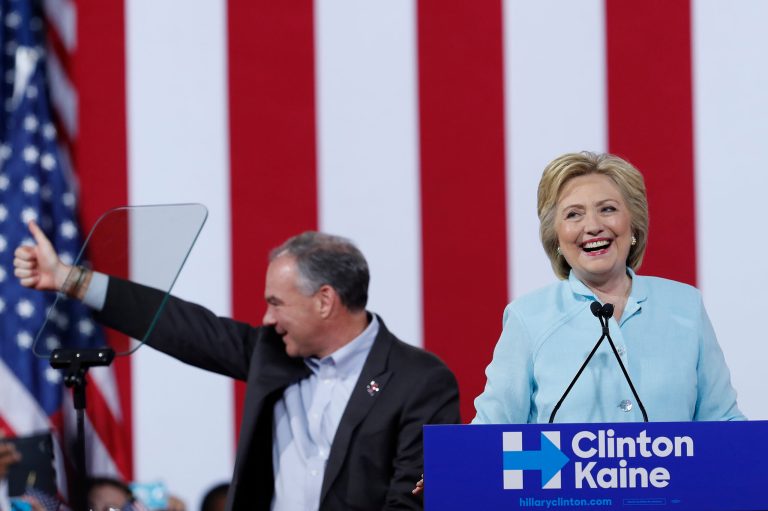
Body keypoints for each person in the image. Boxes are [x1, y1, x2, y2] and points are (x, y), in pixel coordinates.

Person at [14, 229, 460, 510]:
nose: (267, 318)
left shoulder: (421, 381)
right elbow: (181, 326)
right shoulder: (272, 354)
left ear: (325, 300)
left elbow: (418, 499)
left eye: (277, 303)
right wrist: (72, 280)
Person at [472, 151, 744, 424]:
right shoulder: (528, 318)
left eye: (608, 209)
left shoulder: (685, 306)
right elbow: (487, 435)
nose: (593, 226)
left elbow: (726, 426)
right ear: (555, 237)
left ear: (633, 225)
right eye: (574, 214)